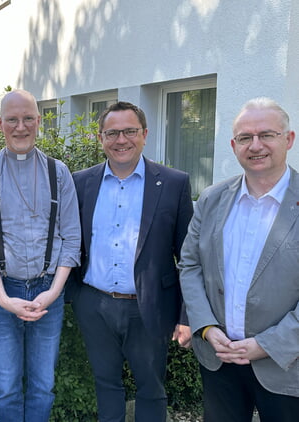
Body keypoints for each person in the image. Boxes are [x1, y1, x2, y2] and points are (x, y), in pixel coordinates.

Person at [71, 101, 194, 422]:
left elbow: (189, 255)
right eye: (112, 133)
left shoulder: (174, 183)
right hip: (94, 306)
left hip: (149, 308)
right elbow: (69, 243)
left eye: (129, 131)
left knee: (151, 387)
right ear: (100, 138)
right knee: (105, 383)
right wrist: (75, 297)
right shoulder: (80, 182)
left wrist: (186, 315)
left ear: (145, 135)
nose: (121, 140)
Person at [179, 97, 299, 422]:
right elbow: (190, 266)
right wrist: (204, 325)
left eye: (266, 135)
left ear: (288, 139)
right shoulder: (212, 199)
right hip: (219, 361)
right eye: (245, 138)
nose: (255, 145)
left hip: (287, 365)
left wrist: (266, 344)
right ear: (234, 145)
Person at [0, 89, 81, 422]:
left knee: (44, 386)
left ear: (39, 121)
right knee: (6, 388)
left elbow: (71, 237)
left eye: (28, 118)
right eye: (13, 120)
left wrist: (54, 291)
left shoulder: (58, 172)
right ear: (0, 123)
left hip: (49, 291)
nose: (21, 127)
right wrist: (2, 298)